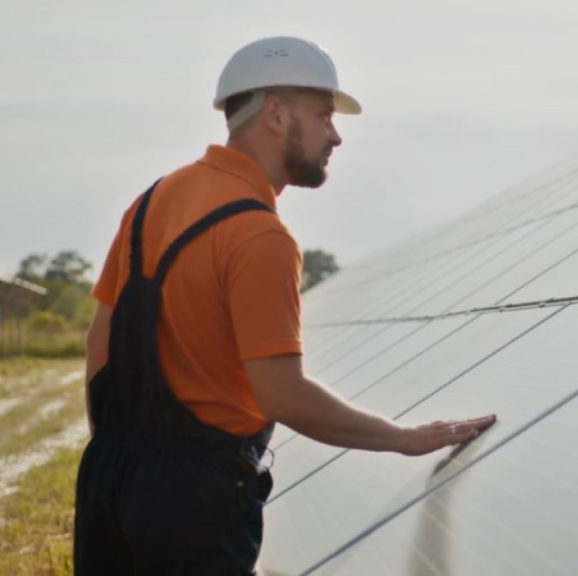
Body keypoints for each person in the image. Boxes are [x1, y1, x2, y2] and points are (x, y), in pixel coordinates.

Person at [74, 36, 496, 575]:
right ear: (275, 114)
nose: (336, 135)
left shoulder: (152, 200)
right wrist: (402, 438)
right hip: (195, 500)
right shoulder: (259, 235)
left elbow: (99, 340)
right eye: (323, 114)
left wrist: (119, 457)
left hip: (109, 477)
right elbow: (284, 396)